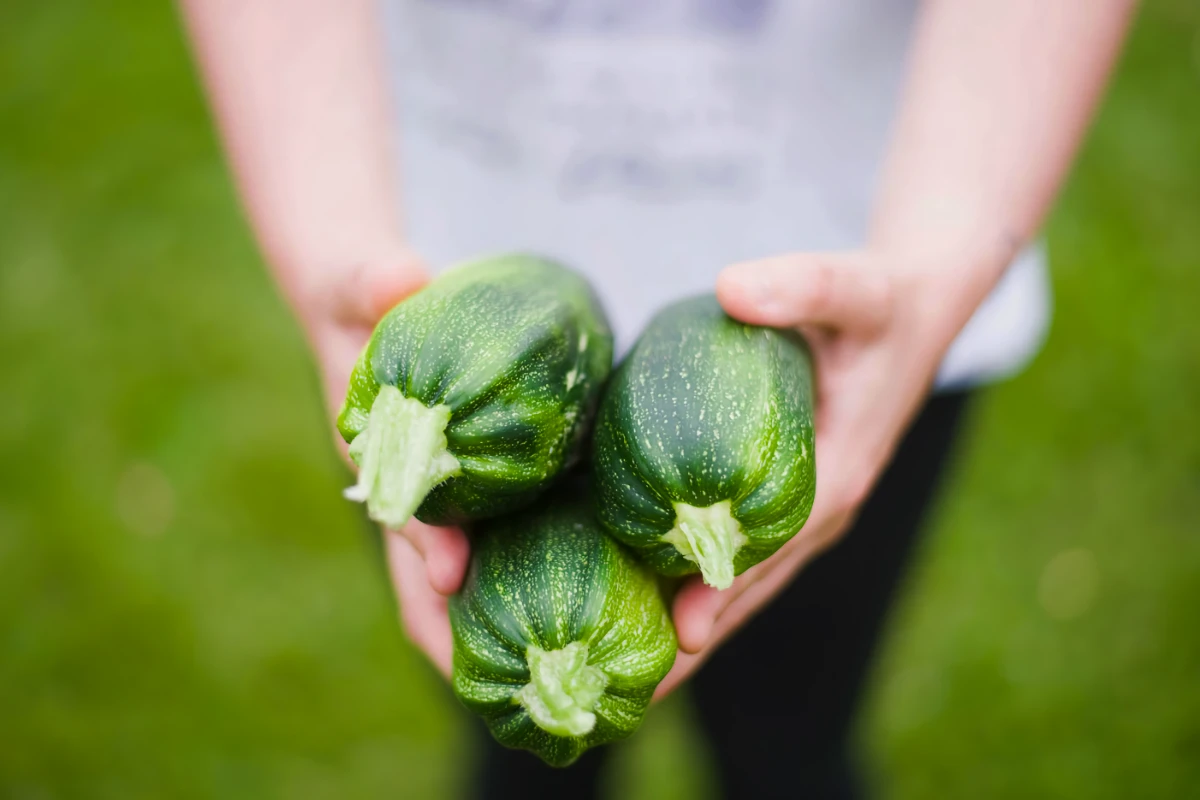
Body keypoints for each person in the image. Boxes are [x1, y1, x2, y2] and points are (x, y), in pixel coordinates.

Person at [182, 1, 1135, 796]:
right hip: (445, 280)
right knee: (522, 749)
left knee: (791, 738)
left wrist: (939, 271)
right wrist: (327, 244)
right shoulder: (419, 386)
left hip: (873, 281)